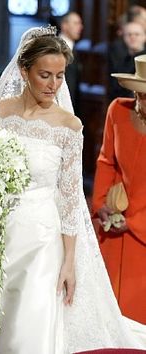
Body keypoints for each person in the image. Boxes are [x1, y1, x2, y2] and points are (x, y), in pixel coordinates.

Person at [0, 26, 146, 354]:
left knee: (30, 326)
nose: (54, 85)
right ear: (24, 71)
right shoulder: (0, 113)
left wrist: (69, 261)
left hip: (42, 240)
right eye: (45, 75)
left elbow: (69, 197)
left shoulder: (69, 126)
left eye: (59, 76)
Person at [92, 54, 146, 325]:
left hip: (142, 240)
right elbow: (106, 161)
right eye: (140, 94)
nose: (141, 102)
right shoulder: (118, 110)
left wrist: (136, 223)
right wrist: (101, 206)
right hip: (112, 232)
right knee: (106, 320)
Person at [108, 21, 146, 100]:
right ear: (124, 37)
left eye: (137, 34)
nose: (133, 37)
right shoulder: (122, 61)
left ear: (144, 37)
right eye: (129, 34)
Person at [59, 11, 83, 114]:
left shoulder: (74, 48)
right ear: (64, 25)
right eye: (76, 23)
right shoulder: (57, 48)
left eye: (80, 23)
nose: (80, 27)